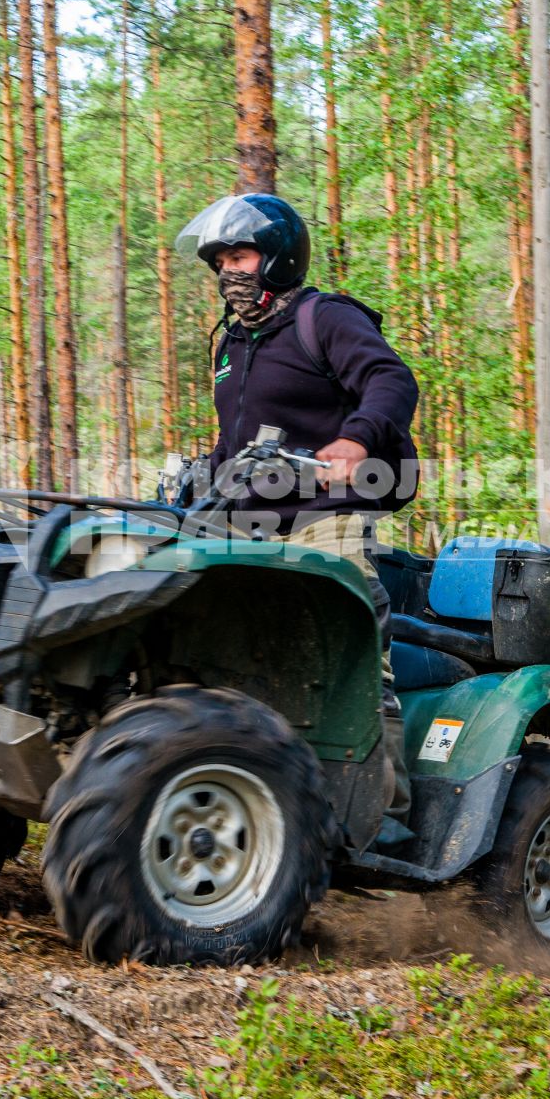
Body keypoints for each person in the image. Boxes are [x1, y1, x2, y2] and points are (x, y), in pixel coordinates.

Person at [174, 193, 420, 845]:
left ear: (279, 258)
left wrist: (359, 438)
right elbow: (238, 441)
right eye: (221, 258)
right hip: (246, 516)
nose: (230, 269)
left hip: (324, 511)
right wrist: (202, 476)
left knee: (348, 619)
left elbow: (391, 380)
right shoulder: (233, 343)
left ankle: (387, 805)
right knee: (168, 595)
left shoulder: (325, 319)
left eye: (242, 254)